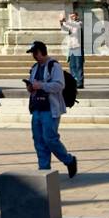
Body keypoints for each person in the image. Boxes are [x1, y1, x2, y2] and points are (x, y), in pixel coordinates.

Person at [23, 40, 77, 178]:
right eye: (32, 54)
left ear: (42, 51)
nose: (34, 56)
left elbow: (59, 85)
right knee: (38, 139)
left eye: (35, 53)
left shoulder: (54, 65)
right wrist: (30, 87)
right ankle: (44, 170)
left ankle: (69, 160)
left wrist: (41, 86)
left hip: (50, 109)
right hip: (37, 108)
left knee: (50, 139)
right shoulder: (34, 67)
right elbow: (34, 87)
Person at [61, 11, 84, 90]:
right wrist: (62, 22)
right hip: (71, 47)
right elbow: (64, 28)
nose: (72, 18)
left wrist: (66, 22)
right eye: (71, 17)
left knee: (78, 66)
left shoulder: (79, 23)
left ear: (76, 16)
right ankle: (74, 81)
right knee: (72, 66)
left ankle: (80, 82)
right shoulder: (70, 25)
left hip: (77, 47)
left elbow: (74, 26)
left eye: (73, 16)